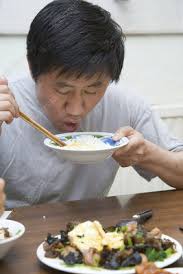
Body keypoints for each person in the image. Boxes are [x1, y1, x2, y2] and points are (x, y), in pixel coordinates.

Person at [0, 0, 183, 209]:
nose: (77, 109)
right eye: (63, 90)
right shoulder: (8, 103)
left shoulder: (124, 105)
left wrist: (148, 154)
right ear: (33, 67)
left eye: (93, 90)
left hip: (87, 233)